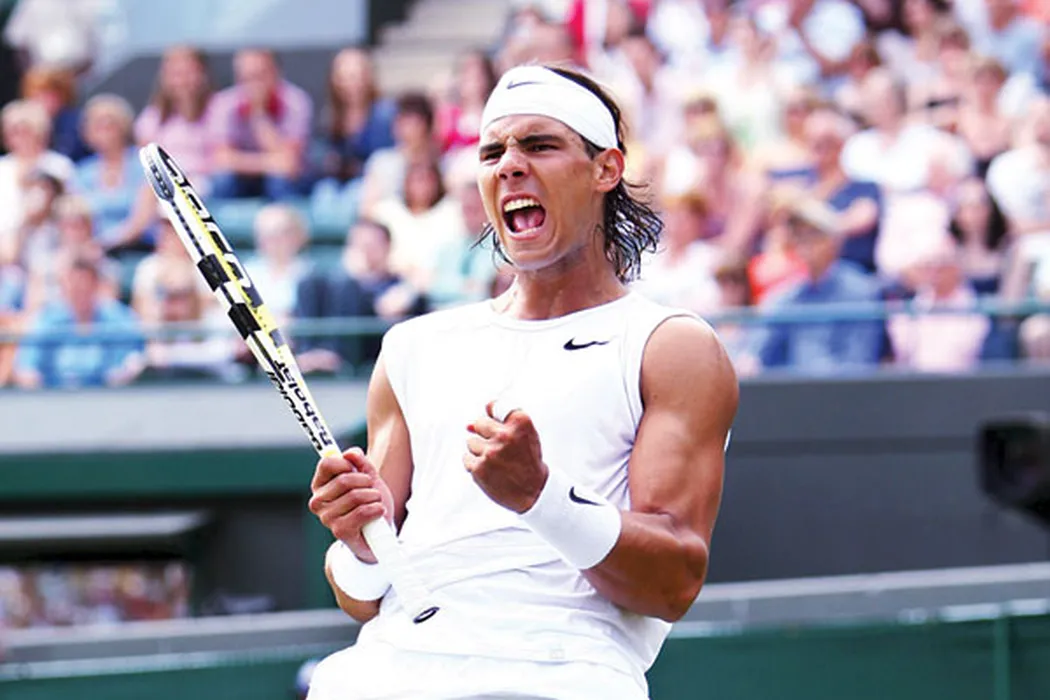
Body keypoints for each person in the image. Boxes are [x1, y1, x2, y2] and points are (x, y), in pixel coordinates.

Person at [305, 64, 738, 700]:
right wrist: (360, 544)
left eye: (539, 145)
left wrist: (540, 496)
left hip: (561, 679)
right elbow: (361, 597)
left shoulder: (671, 347)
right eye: (491, 153)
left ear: (606, 169)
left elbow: (672, 582)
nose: (509, 165)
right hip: (383, 675)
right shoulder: (411, 348)